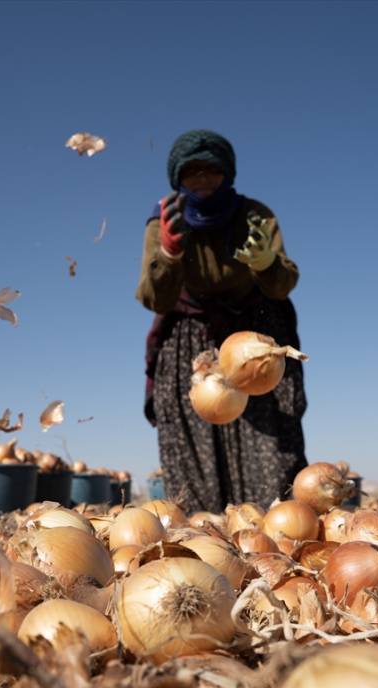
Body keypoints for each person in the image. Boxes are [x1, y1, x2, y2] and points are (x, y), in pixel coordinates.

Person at [137, 129, 307, 512]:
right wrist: (168, 253)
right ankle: (203, 534)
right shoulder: (165, 218)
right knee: (194, 430)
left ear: (226, 174)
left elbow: (284, 285)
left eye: (210, 172)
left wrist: (266, 264)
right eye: (192, 173)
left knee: (272, 440)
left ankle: (275, 530)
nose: (202, 182)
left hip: (256, 332)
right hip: (189, 335)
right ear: (178, 178)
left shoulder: (256, 215)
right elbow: (153, 297)